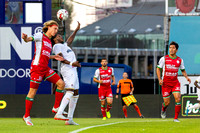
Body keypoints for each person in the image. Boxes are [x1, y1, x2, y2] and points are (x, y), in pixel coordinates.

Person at [22, 20, 66, 126]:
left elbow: (44, 54)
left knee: (61, 84)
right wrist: (25, 38)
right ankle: (26, 116)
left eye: (57, 29)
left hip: (45, 68)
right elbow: (28, 39)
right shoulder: (40, 35)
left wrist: (54, 56)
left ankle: (56, 108)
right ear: (49, 27)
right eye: (55, 28)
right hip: (37, 68)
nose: (56, 31)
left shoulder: (49, 42)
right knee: (32, 92)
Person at [52, 21, 81, 125]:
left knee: (76, 94)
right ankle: (59, 112)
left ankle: (69, 119)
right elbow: (60, 59)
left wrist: (76, 30)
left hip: (73, 69)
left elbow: (69, 40)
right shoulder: (56, 46)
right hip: (68, 69)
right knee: (70, 90)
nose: (61, 37)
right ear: (55, 40)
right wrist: (73, 63)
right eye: (59, 36)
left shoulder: (64, 45)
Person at [157, 41, 191, 122]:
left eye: (173, 48)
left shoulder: (180, 60)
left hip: (175, 83)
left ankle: (175, 118)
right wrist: (159, 79)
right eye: (170, 48)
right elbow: (158, 69)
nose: (171, 49)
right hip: (165, 84)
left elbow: (182, 70)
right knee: (167, 102)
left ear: (176, 50)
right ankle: (163, 108)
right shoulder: (164, 59)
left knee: (178, 98)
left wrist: (186, 77)